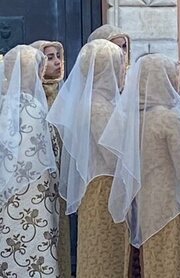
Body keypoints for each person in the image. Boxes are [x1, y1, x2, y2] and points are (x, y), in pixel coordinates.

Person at [99, 53, 180, 277]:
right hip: (170, 209)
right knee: (170, 267)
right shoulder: (171, 119)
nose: (177, 82)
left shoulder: (130, 119)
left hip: (138, 209)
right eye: (173, 77)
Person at [46, 39, 130, 277]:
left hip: (103, 189)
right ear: (105, 68)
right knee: (104, 256)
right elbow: (113, 154)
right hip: (105, 191)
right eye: (118, 64)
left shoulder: (99, 102)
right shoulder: (98, 106)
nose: (123, 69)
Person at [0, 45, 60, 277]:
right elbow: (47, 154)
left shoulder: (4, 105)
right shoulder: (33, 107)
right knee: (33, 253)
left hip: (7, 195)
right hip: (35, 196)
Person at [30, 40, 71, 278]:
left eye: (58, 56)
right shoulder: (31, 97)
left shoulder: (64, 93)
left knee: (61, 232)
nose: (57, 62)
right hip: (38, 182)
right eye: (49, 57)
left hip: (61, 177)